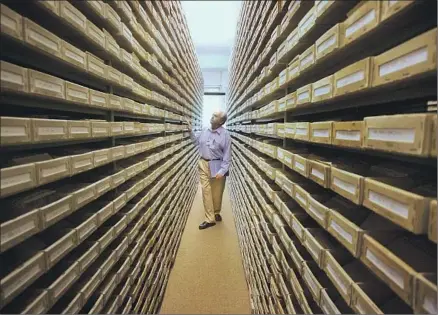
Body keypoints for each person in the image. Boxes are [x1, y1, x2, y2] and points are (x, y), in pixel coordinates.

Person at [186, 111, 232, 230]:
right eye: (212, 114)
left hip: (217, 164)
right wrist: (190, 131)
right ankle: (209, 218)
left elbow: (227, 155)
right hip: (203, 163)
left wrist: (222, 171)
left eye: (215, 116)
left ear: (221, 122)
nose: (212, 117)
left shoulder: (225, 135)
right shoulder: (205, 130)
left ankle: (216, 212)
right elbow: (196, 141)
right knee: (206, 191)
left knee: (217, 193)